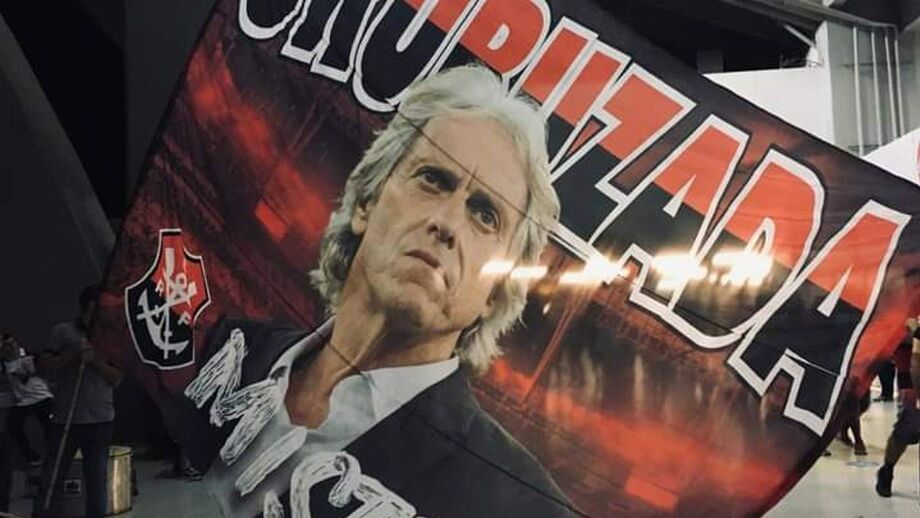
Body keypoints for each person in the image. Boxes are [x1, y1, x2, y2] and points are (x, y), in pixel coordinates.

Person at [180, 64, 576, 517]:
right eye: (433, 179)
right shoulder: (226, 350)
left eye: (485, 215)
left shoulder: (521, 504)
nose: (447, 223)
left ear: (495, 292)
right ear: (367, 202)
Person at [34, 287, 123, 518]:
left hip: (100, 421)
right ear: (89, 307)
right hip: (65, 420)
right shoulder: (62, 332)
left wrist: (94, 361)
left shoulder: (111, 337)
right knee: (52, 477)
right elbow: (45, 366)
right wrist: (72, 354)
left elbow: (116, 377)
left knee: (96, 480)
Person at [876, 315, 920, 497]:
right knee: (906, 430)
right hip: (911, 378)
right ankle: (887, 469)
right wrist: (916, 332)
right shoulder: (903, 308)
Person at [1, 333, 53, 464]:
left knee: (49, 428)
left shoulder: (28, 357)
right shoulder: (4, 364)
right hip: (24, 400)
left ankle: (54, 456)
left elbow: (43, 364)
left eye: (13, 344)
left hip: (41, 397)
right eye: (7, 345)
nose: (11, 347)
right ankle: (31, 456)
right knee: (12, 425)